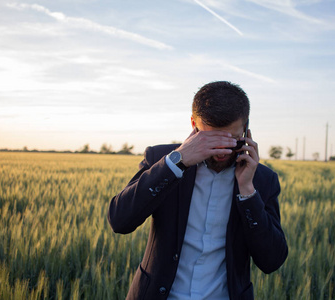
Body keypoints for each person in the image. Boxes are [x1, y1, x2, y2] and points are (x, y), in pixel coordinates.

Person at [108, 81, 288, 300]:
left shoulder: (262, 179)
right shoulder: (162, 159)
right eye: (211, 139)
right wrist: (176, 163)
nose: (222, 151)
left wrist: (248, 190)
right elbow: (120, 221)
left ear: (246, 128)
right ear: (193, 124)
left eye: (231, 139)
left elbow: (272, 261)